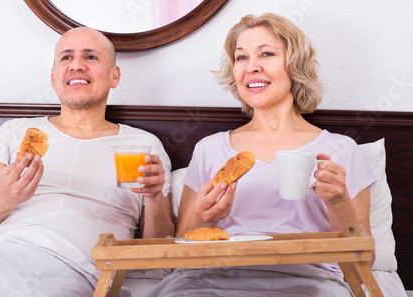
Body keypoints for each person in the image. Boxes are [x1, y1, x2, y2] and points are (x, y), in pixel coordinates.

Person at [0, 27, 174, 297]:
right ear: (53, 78)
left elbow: (159, 256)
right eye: (66, 58)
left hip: (77, 270)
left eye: (90, 57)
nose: (77, 65)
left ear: (114, 76)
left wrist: (155, 196)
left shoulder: (143, 145)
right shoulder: (15, 133)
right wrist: (5, 198)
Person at [148, 13, 375, 297]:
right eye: (241, 58)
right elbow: (180, 254)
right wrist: (206, 219)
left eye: (266, 54)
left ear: (295, 64)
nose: (251, 67)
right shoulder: (210, 148)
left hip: (307, 281)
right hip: (206, 280)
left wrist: (339, 201)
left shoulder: (339, 150)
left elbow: (360, 267)